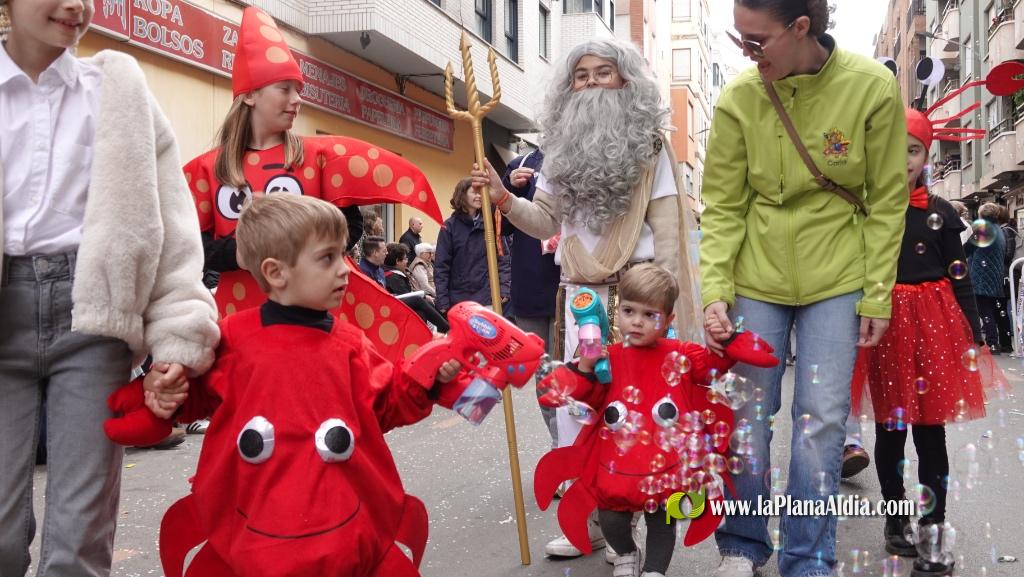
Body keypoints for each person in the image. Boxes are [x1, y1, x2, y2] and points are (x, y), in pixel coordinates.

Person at [137, 194, 470, 576]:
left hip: (336, 522)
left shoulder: (350, 345)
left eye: (343, 255)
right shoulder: (231, 340)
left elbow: (385, 404)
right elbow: (197, 395)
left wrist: (424, 381)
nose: (344, 270)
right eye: (327, 259)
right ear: (277, 273)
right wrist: (170, 392)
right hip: (257, 522)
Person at [0, 0, 219, 574]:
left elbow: (170, 227)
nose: (76, 5)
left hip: (96, 318)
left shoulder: (118, 90)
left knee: (80, 541)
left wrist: (175, 337)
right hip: (4, 318)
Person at [470, 38, 703, 558]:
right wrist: (505, 198)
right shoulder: (560, 149)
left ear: (627, 82)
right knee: (579, 410)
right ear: (568, 87)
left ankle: (645, 521)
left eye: (604, 73)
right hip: (579, 303)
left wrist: (662, 307)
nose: (593, 83)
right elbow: (544, 221)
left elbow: (666, 233)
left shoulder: (650, 148)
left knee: (637, 415)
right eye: (582, 75)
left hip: (636, 300)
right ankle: (594, 524)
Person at [699, 2, 908, 576]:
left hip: (838, 277)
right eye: (738, 38)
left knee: (821, 422)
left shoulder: (872, 88)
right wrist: (715, 288)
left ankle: (808, 555)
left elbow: (887, 200)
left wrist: (875, 294)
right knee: (747, 415)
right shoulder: (739, 97)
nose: (745, 51)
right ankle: (742, 544)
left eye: (756, 39)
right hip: (757, 276)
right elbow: (722, 205)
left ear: (801, 28)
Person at [534, 264, 780, 577]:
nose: (636, 321)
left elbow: (713, 364)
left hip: (664, 463)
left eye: (650, 315)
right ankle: (626, 553)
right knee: (610, 517)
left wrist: (729, 341)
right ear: (617, 310)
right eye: (628, 310)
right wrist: (585, 364)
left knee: (662, 518)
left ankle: (654, 570)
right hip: (616, 464)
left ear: (668, 320)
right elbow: (568, 392)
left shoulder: (680, 353)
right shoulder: (607, 358)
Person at [850, 106, 1005, 577]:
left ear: (926, 156)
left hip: (935, 328)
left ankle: (934, 524)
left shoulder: (940, 213)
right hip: (886, 326)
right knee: (891, 431)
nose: (904, 160)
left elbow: (960, 280)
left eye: (913, 151)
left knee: (930, 430)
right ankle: (896, 520)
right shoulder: (868, 209)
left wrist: (975, 331)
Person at [501, 149, 562, 450]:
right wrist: (509, 187)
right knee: (545, 378)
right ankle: (558, 446)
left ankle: (575, 448)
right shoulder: (521, 164)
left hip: (575, 286)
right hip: (530, 288)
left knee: (573, 373)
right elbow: (502, 226)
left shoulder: (586, 150)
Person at [434, 177, 511, 316]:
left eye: (481, 192)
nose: (479, 196)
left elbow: (503, 258)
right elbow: (441, 267)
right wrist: (442, 300)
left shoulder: (491, 224)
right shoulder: (449, 227)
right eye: (475, 192)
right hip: (459, 300)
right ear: (462, 195)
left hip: (488, 298)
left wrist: (504, 289)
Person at [965, 203, 1006, 353]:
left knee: (984, 310)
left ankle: (992, 343)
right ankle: (1002, 343)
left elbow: (967, 248)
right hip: (995, 274)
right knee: (992, 310)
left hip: (982, 276)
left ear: (982, 215)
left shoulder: (984, 230)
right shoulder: (998, 230)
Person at [383, 242, 449, 332]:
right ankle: (445, 328)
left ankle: (444, 327)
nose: (407, 261)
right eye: (405, 259)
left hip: (416, 298)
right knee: (423, 307)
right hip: (397, 309)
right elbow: (407, 296)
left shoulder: (398, 272)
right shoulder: (393, 277)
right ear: (397, 261)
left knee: (429, 302)